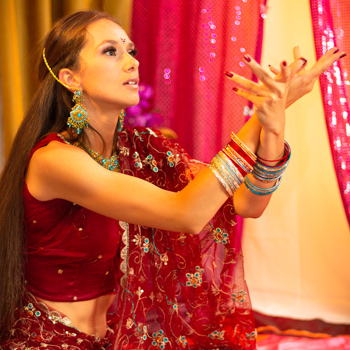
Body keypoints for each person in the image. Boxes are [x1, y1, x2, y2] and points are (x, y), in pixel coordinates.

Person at [0, 10, 344, 350]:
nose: (132, 62)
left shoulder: (139, 152)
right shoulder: (55, 161)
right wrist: (256, 121)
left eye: (131, 50)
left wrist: (275, 119)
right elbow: (186, 213)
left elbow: (246, 203)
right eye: (111, 51)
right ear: (70, 78)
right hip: (47, 342)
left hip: (112, 340)